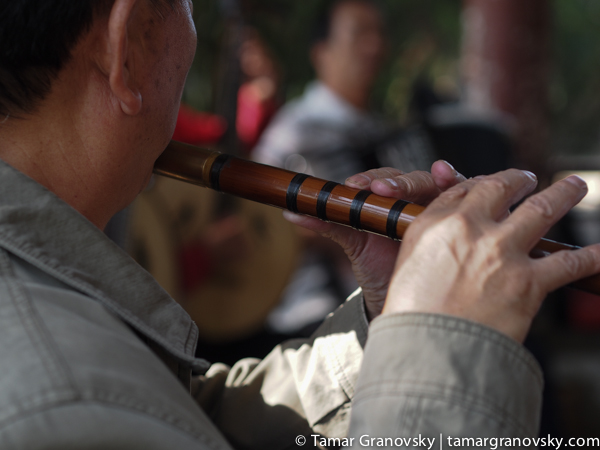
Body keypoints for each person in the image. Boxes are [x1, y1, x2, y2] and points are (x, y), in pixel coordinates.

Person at [1, 1, 600, 450]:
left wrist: (397, 322)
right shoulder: (60, 406)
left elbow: (188, 411)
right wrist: (444, 353)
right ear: (126, 47)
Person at [253, 0, 438, 337]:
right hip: (313, 318)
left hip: (395, 311)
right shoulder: (294, 130)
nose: (374, 45)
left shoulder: (388, 132)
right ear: (321, 51)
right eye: (359, 34)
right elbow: (259, 224)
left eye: (378, 33)